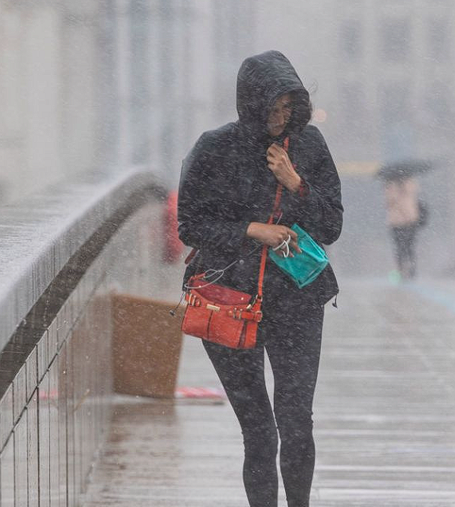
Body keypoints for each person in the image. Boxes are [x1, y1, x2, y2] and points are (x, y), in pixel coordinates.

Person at [177, 50, 343, 507]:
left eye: (288, 107)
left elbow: (331, 226)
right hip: (229, 299)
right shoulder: (214, 147)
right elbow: (190, 225)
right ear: (249, 103)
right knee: (259, 432)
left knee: (296, 423)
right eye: (271, 108)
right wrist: (253, 230)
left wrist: (297, 185)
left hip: (297, 302)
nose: (280, 117)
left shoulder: (308, 146)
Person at [383, 176, 420, 279]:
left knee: (409, 247)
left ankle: (412, 270)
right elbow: (389, 202)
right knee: (399, 248)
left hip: (410, 221)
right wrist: (394, 190)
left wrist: (403, 188)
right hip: (396, 222)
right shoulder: (390, 187)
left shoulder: (410, 183)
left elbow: (412, 194)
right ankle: (401, 270)